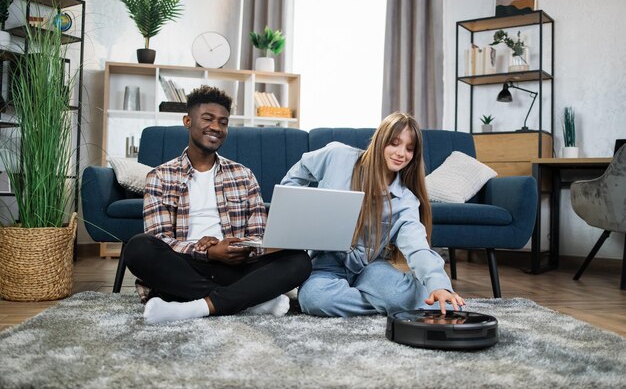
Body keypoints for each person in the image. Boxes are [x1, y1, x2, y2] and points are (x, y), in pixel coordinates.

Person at [124, 85, 312, 324]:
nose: (216, 127)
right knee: (139, 248)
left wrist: (242, 248)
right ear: (188, 121)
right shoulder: (161, 176)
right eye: (208, 119)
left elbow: (258, 236)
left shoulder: (244, 175)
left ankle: (197, 306)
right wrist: (208, 252)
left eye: (223, 122)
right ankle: (248, 302)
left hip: (236, 267)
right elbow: (160, 238)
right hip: (187, 266)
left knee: (299, 260)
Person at [281, 112, 465, 317]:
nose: (401, 153)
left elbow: (417, 248)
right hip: (325, 265)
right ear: (380, 140)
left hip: (370, 269)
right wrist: (294, 209)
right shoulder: (338, 155)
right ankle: (389, 303)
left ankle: (399, 299)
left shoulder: (405, 200)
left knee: (404, 297)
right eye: (394, 143)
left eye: (409, 148)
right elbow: (299, 172)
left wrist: (438, 284)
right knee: (314, 300)